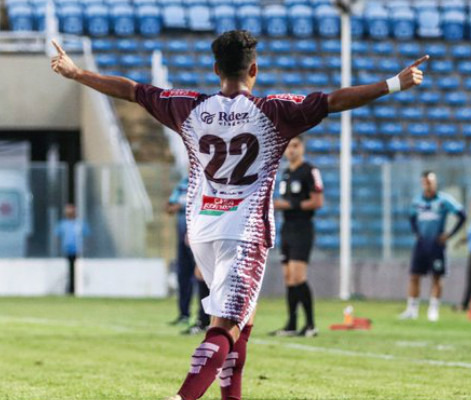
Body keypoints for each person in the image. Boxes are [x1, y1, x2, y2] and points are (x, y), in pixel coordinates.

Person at [51, 30, 428, 400]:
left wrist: (76, 72)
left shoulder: (188, 106)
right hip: (244, 231)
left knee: (242, 320)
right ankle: (183, 397)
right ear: (254, 71)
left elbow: (132, 90)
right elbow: (334, 101)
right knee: (227, 325)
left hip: (201, 228)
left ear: (216, 69)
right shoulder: (275, 112)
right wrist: (394, 82)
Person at [270, 136, 323, 337]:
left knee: (298, 276)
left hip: (303, 228)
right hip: (287, 228)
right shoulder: (285, 174)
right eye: (288, 146)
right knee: (289, 278)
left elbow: (317, 202)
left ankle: (310, 324)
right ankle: (291, 324)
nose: (291, 150)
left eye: (295, 146)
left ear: (302, 148)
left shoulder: (310, 171)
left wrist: (288, 205)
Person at [400, 171, 466, 322]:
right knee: (414, 276)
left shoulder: (444, 201)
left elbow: (462, 215)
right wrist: (416, 233)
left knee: (437, 277)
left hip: (436, 245)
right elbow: (411, 218)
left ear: (435, 183)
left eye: (431, 182)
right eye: (425, 182)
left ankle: (433, 309)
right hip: (421, 244)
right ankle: (412, 309)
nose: (428, 185)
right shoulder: (417, 201)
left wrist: (449, 235)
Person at [166, 176, 197, 327]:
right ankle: (184, 314)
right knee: (183, 275)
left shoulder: (207, 181)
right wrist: (174, 207)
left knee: (202, 276)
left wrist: (183, 205)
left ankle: (204, 317)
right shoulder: (183, 183)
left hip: (198, 237)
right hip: (182, 237)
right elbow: (169, 207)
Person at [54, 203, 89, 295]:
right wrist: (56, 250)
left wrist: (86, 249)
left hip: (78, 252)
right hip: (66, 251)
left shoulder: (79, 224)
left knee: (76, 272)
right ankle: (69, 289)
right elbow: (57, 237)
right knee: (68, 272)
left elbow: (87, 237)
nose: (69, 213)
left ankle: (75, 289)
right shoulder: (63, 224)